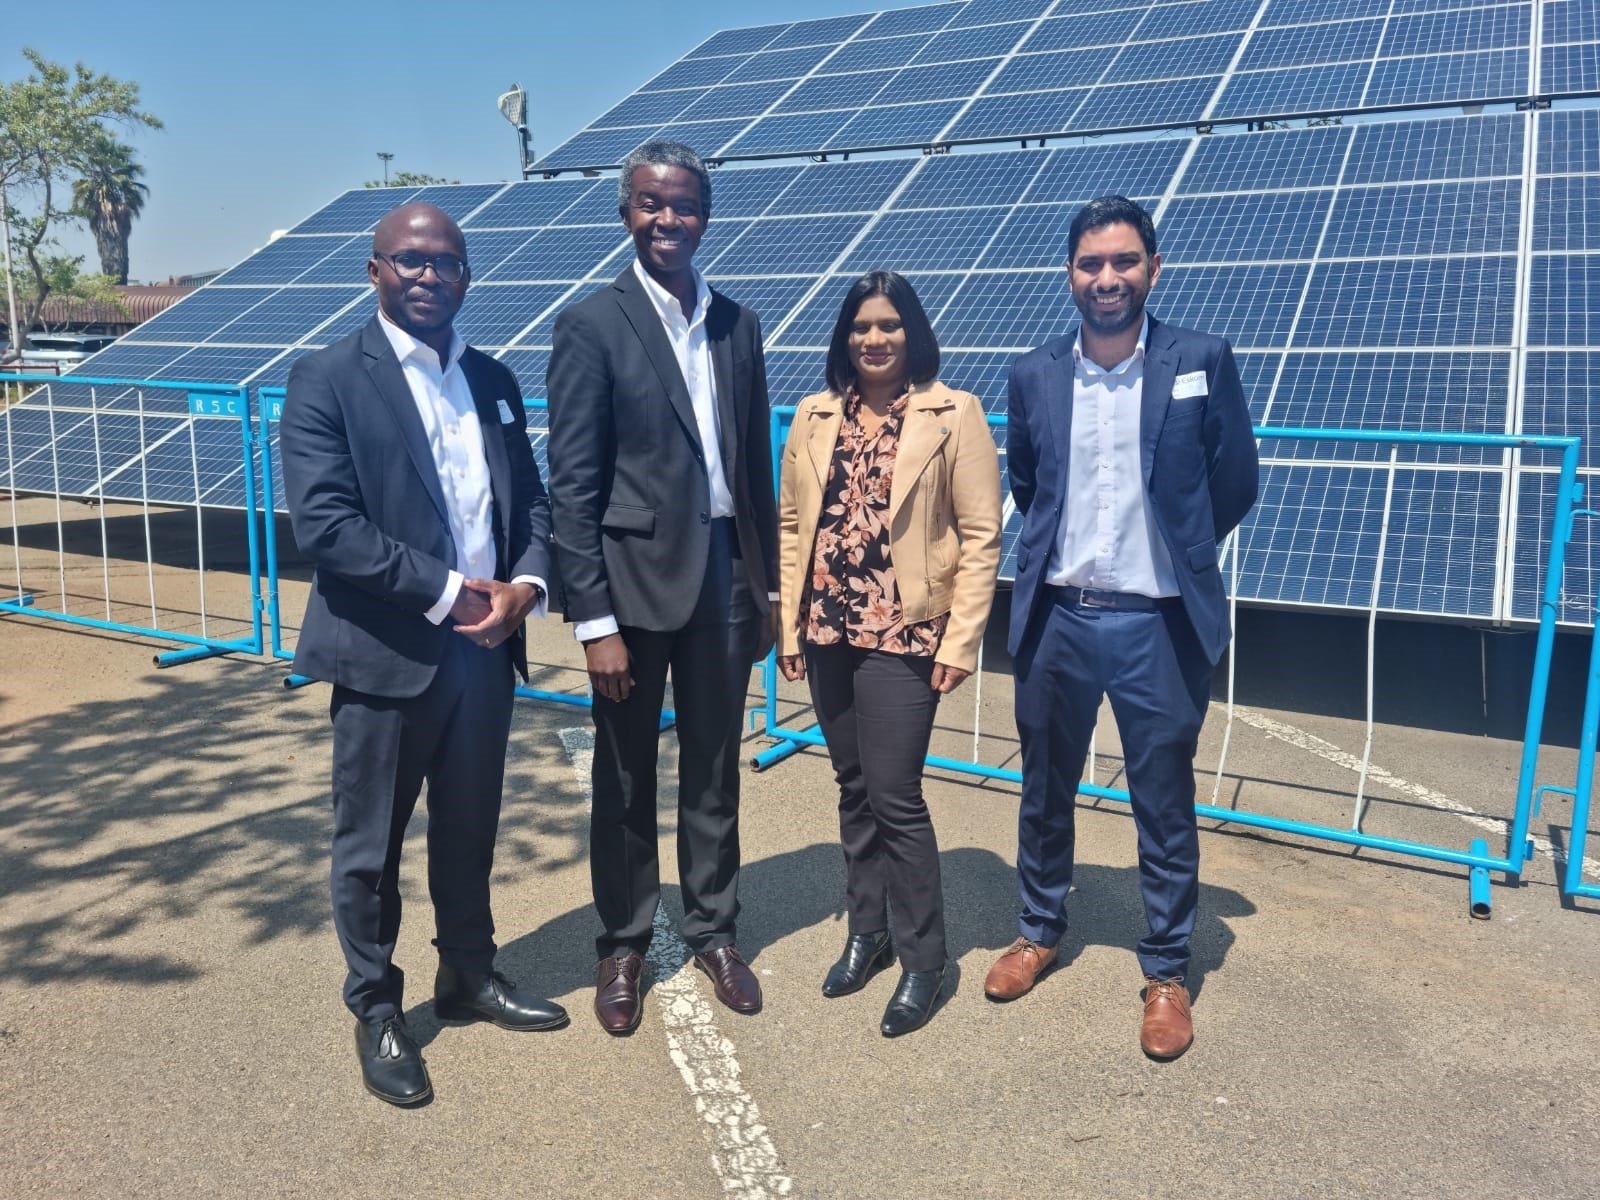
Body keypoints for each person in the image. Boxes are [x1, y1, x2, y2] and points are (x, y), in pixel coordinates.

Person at [280, 202, 567, 1107]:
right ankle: (375, 1007)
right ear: (375, 271)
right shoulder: (328, 378)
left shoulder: (493, 378)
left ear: (467, 276)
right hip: (385, 654)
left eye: (446, 262)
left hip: (485, 653)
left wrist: (526, 587)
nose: (429, 276)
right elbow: (326, 526)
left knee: (470, 827)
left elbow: (533, 505)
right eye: (410, 260)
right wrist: (450, 593)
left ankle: (468, 975)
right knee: (370, 847)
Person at [985, 195, 1259, 1060]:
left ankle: (1167, 971)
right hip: (1059, 619)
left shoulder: (1200, 360)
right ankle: (1038, 930)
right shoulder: (1033, 374)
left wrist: (1179, 551)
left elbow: (1236, 480)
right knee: (1044, 789)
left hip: (1158, 625)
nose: (1108, 277)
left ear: (1153, 268)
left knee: (1162, 802)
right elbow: (1029, 483)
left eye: (1124, 261)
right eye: (1091, 263)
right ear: (1069, 274)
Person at [546, 141, 779, 1035]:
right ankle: (624, 944)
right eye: (650, 204)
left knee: (715, 769)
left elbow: (751, 471)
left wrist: (766, 590)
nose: (667, 219)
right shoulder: (591, 325)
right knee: (625, 776)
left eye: (682, 205)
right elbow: (574, 487)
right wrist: (594, 621)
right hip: (633, 589)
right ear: (626, 214)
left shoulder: (737, 325)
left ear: (704, 218)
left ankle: (715, 931)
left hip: (726, 579)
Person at [777, 271, 1001, 1037]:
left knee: (895, 795)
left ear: (913, 333)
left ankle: (923, 959)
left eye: (890, 325)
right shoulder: (814, 415)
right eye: (861, 326)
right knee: (853, 787)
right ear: (845, 337)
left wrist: (962, 639)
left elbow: (981, 536)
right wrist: (789, 628)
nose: (874, 339)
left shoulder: (952, 413)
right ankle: (866, 932)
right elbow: (791, 527)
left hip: (906, 633)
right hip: (828, 630)